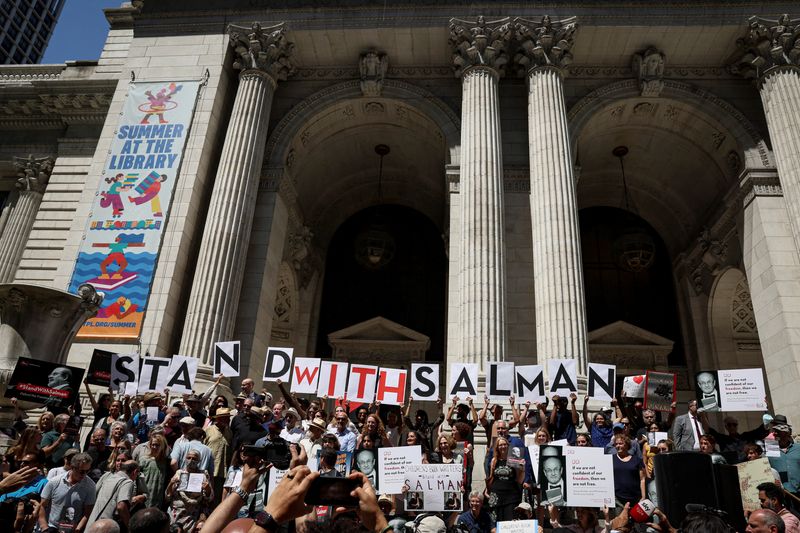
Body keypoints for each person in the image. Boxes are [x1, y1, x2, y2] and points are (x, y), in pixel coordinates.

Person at [38, 452, 96, 533]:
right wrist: (44, 527)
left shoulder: (90, 486)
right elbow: (42, 506)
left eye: (87, 471)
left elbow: (88, 512)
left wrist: (78, 529)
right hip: (52, 527)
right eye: (81, 471)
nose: (84, 474)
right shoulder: (54, 482)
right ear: (72, 467)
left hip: (72, 530)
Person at [165, 449, 213, 532]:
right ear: (185, 459)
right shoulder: (179, 473)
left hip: (192, 516)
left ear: (199, 461)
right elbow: (168, 496)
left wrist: (207, 489)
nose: (191, 460)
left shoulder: (203, 475)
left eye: (194, 459)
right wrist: (171, 484)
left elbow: (209, 498)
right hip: (176, 513)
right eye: (189, 457)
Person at [85, 460, 138, 530]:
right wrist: (130, 527)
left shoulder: (108, 479)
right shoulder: (127, 482)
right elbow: (121, 507)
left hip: (91, 527)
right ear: (135, 471)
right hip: (106, 528)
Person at [486, 436, 523, 521]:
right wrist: (487, 490)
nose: (503, 447)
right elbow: (491, 477)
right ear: (497, 447)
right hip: (496, 495)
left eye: (504, 444)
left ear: (508, 445)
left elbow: (519, 480)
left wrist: (522, 469)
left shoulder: (514, 459)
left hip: (511, 495)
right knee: (496, 521)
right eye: (500, 445)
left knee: (510, 521)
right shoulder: (494, 460)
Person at [611, 435, 646, 512]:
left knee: (636, 523)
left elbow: (642, 479)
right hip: (618, 500)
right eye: (616, 444)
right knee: (620, 523)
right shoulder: (610, 459)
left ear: (627, 445)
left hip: (635, 499)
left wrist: (643, 497)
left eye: (620, 443)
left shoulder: (637, 460)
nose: (618, 446)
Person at [768, 418, 800, 499]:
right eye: (773, 430)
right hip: (782, 495)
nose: (774, 433)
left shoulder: (798, 448)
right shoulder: (770, 450)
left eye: (777, 431)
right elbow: (765, 469)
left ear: (785, 433)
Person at [137, 433, 171, 509]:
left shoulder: (166, 462)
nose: (154, 447)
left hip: (159, 498)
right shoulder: (144, 460)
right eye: (153, 445)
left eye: (157, 445)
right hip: (144, 496)